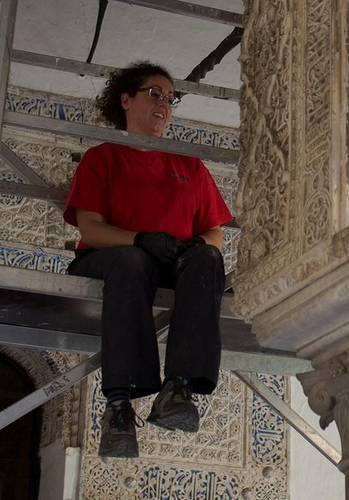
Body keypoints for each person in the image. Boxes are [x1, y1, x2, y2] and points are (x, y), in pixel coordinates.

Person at [63, 62, 232, 459]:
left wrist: (193, 247)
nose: (164, 104)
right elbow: (90, 230)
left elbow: (215, 234)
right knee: (132, 262)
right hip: (110, 262)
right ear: (126, 100)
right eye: (154, 93)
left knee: (208, 260)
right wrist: (139, 240)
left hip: (170, 266)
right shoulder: (102, 158)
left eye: (170, 98)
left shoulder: (190, 165)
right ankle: (119, 406)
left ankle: (178, 389)